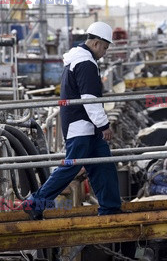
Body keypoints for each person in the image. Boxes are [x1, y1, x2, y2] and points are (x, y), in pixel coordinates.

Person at [23, 21, 121, 219]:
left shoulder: (79, 60)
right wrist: (104, 125)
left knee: (104, 165)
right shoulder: (85, 63)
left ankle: (111, 208)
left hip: (87, 128)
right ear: (95, 44)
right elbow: (90, 99)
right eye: (104, 47)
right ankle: (35, 203)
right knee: (71, 167)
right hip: (82, 127)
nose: (105, 52)